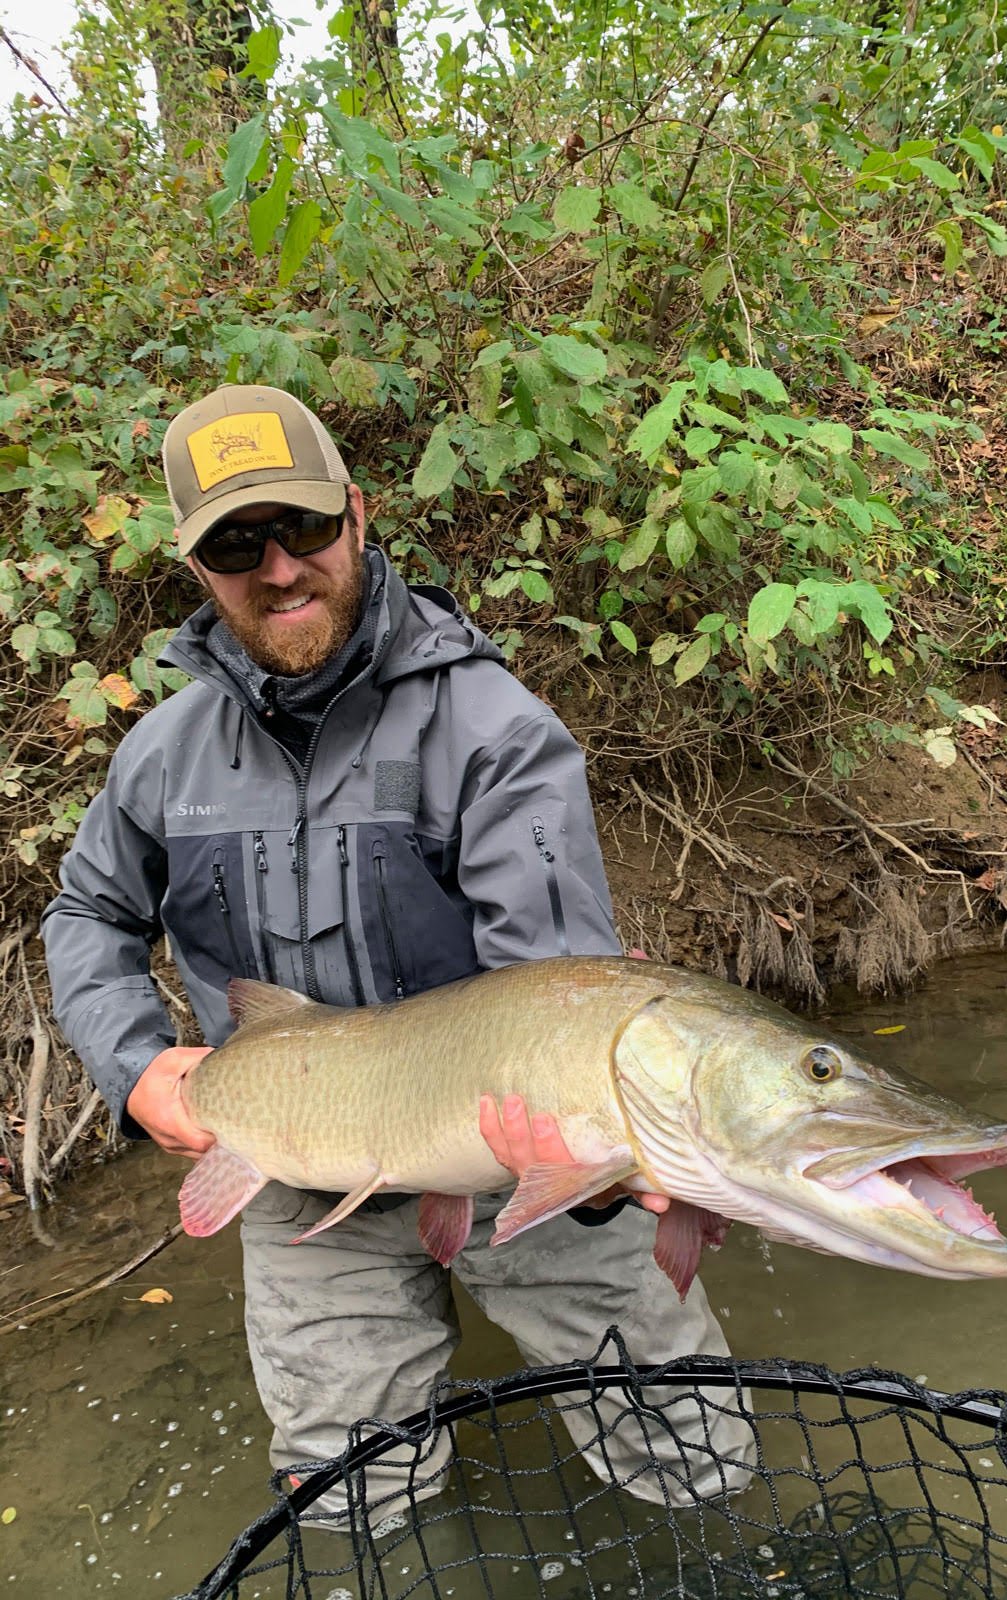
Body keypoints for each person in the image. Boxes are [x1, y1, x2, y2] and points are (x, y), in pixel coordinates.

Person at [41, 384, 753, 1526]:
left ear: (359, 516)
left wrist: (594, 1160)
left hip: (512, 1157)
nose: (278, 569)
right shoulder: (163, 756)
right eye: (236, 544)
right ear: (198, 569)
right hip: (293, 1154)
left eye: (303, 529)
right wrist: (133, 1066)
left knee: (691, 1451)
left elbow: (557, 996)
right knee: (347, 1498)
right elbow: (85, 913)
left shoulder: (492, 730)